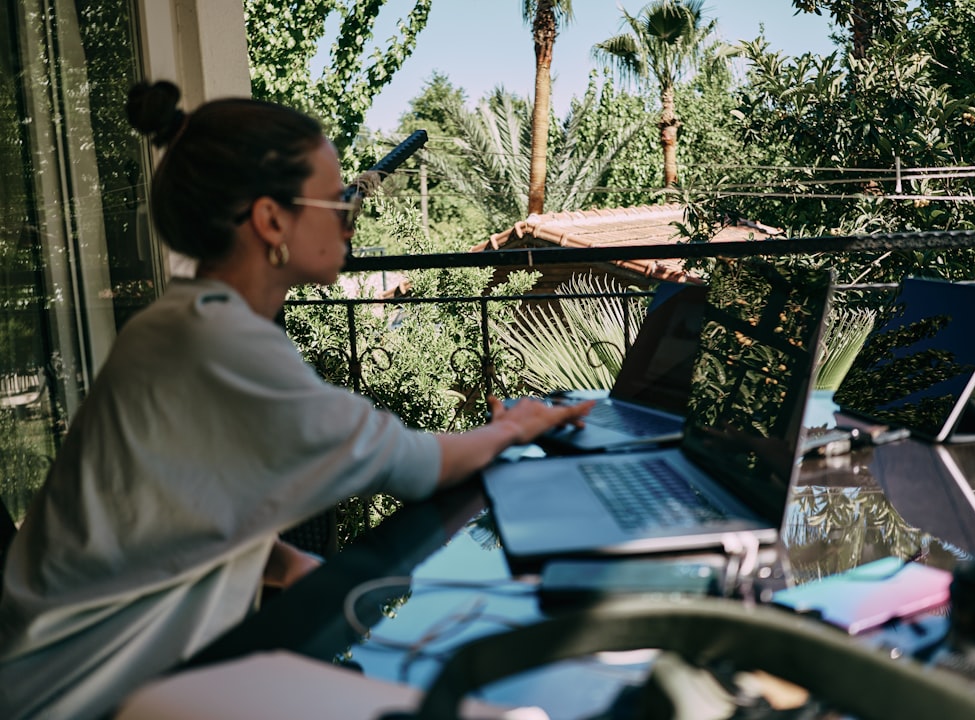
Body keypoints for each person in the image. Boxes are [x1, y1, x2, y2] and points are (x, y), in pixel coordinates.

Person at [0, 80, 592, 719]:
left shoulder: (182, 323)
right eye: (336, 199)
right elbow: (412, 462)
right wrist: (515, 427)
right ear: (272, 219)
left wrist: (285, 563)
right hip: (74, 695)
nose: (350, 213)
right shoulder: (218, 341)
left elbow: (167, 510)